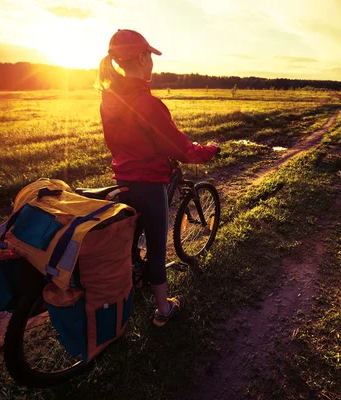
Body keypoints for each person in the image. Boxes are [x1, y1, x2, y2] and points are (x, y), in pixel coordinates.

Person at [95, 29, 219, 327]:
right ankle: (163, 310)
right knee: (156, 246)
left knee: (130, 240)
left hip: (123, 177)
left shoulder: (109, 98)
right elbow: (180, 149)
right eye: (149, 56)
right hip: (149, 184)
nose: (152, 62)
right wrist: (209, 150)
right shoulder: (148, 103)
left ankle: (128, 282)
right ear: (140, 58)